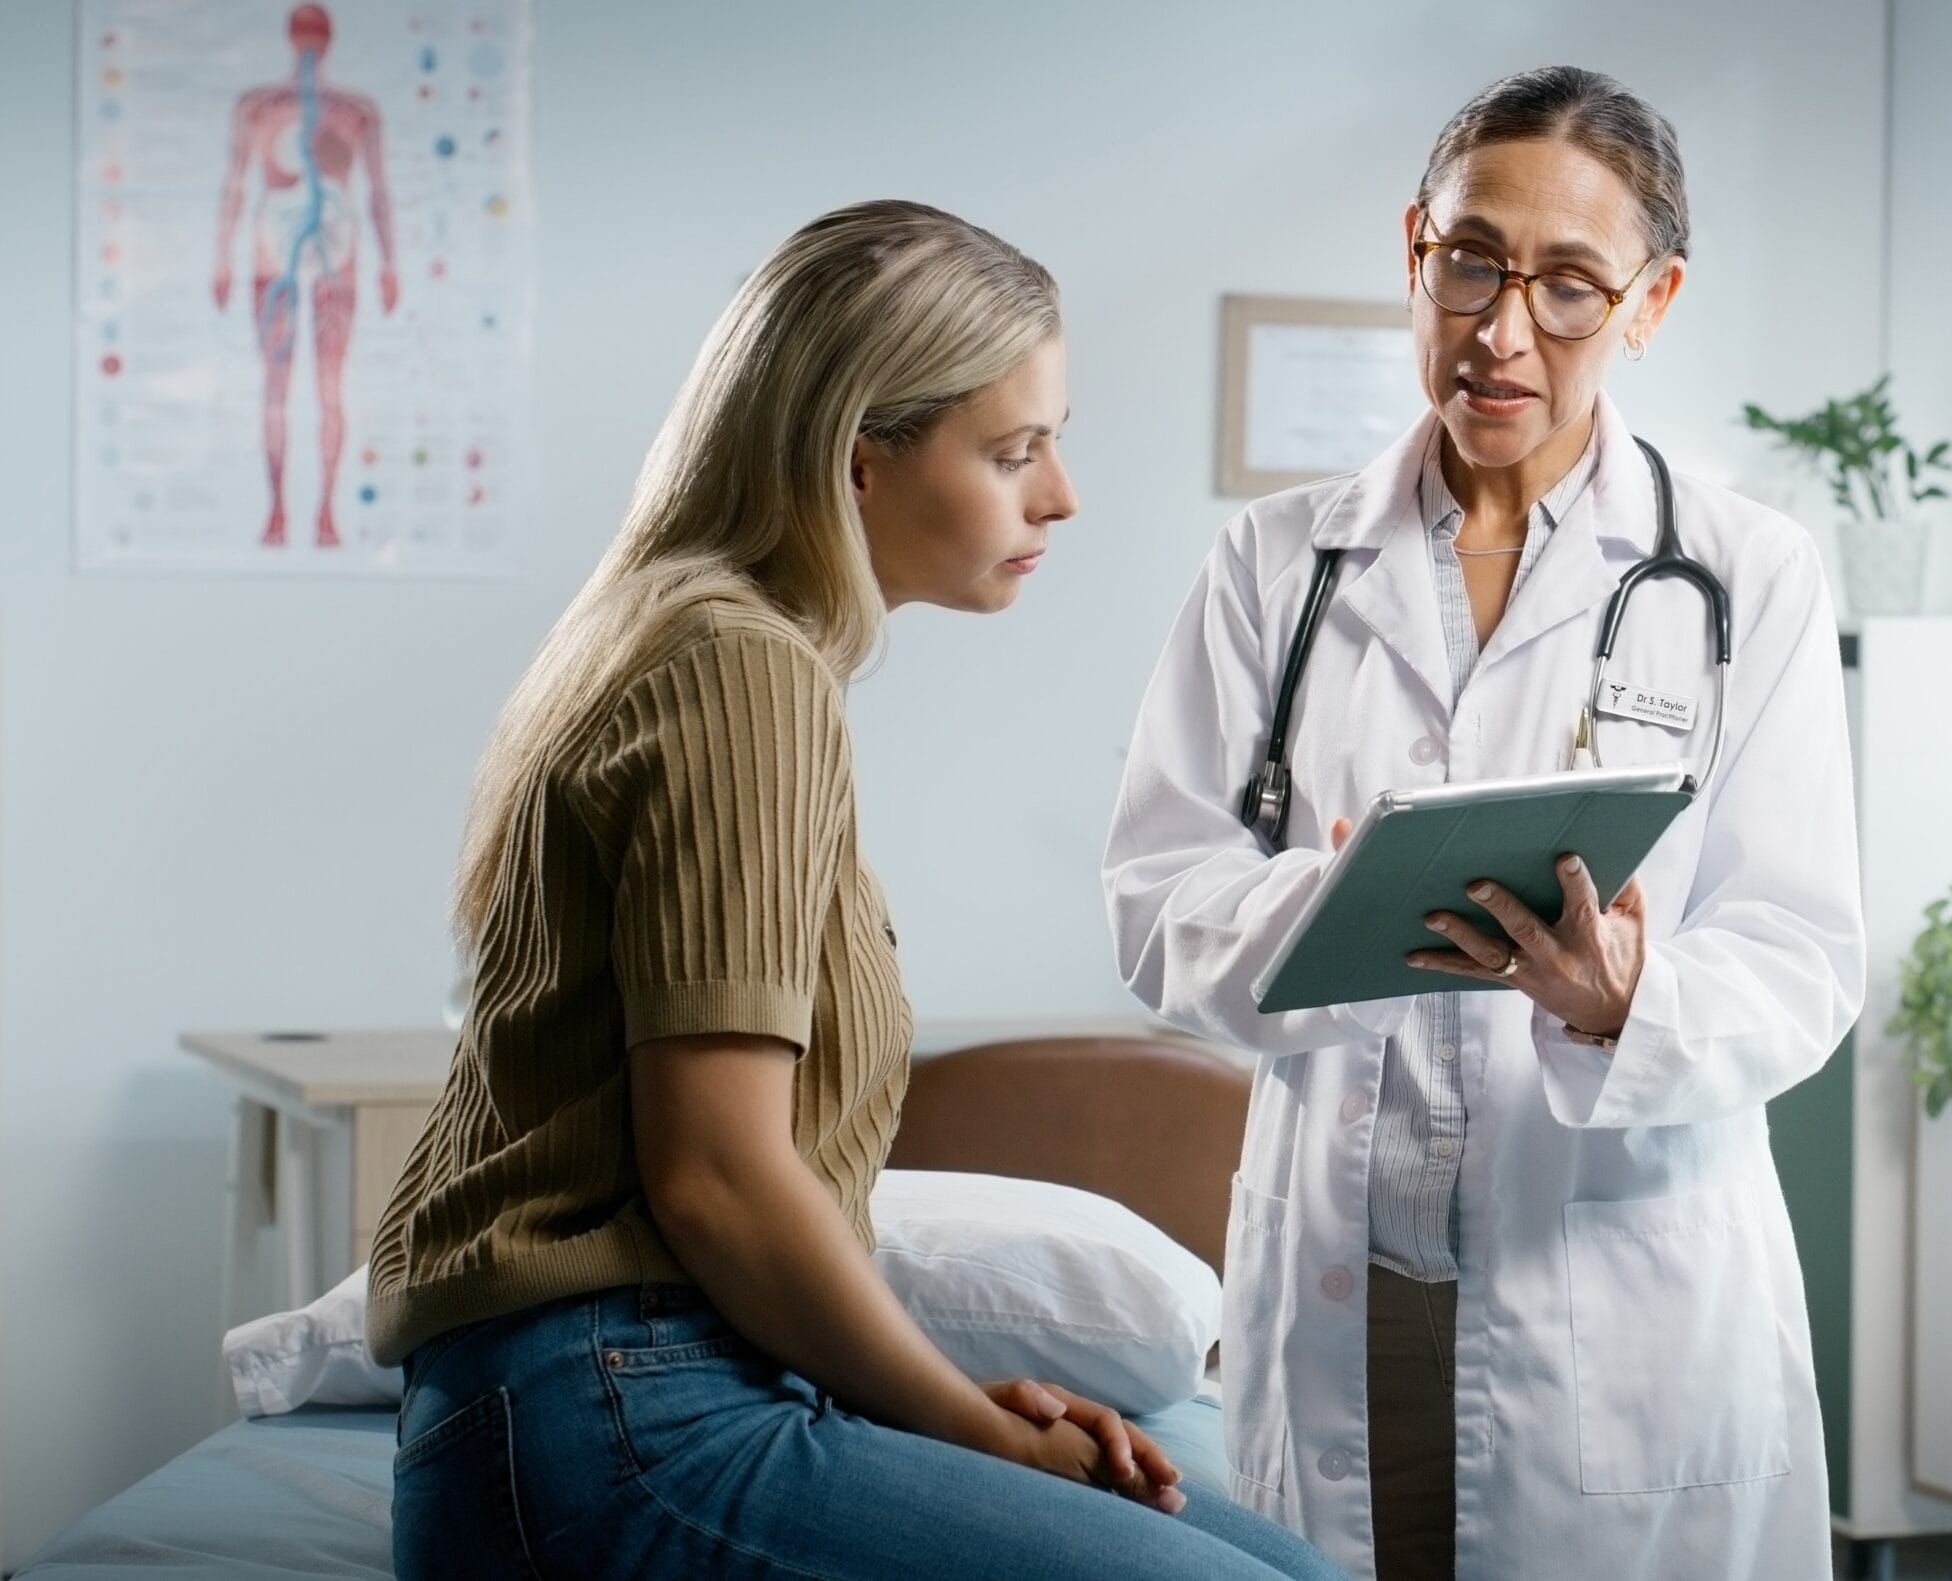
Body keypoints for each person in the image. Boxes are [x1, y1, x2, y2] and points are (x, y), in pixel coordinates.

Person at [369, 199, 1343, 1581]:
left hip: (670, 1383)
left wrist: (944, 1407)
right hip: (613, 1414)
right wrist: (972, 1430)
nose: (1058, 495)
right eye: (1016, 452)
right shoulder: (738, 669)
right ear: (857, 462)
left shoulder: (701, 645)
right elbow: (716, 1177)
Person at [1104, 68, 1863, 1580]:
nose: (1503, 329)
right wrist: (1332, 908)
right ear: (1416, 250)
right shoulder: (1275, 566)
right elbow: (1156, 891)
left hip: (1611, 1279)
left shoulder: (1746, 576)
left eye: (1572, 286)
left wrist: (1627, 998)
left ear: (1650, 304)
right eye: (1472, 261)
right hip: (1345, 1276)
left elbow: (1801, 949)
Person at [211, 3, 395, 549]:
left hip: (336, 262)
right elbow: (236, 186)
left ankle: (325, 514)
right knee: (278, 391)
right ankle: (277, 513)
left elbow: (378, 192)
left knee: (327, 390)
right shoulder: (258, 109)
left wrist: (389, 263)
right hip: (277, 259)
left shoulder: (355, 112)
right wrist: (221, 258)